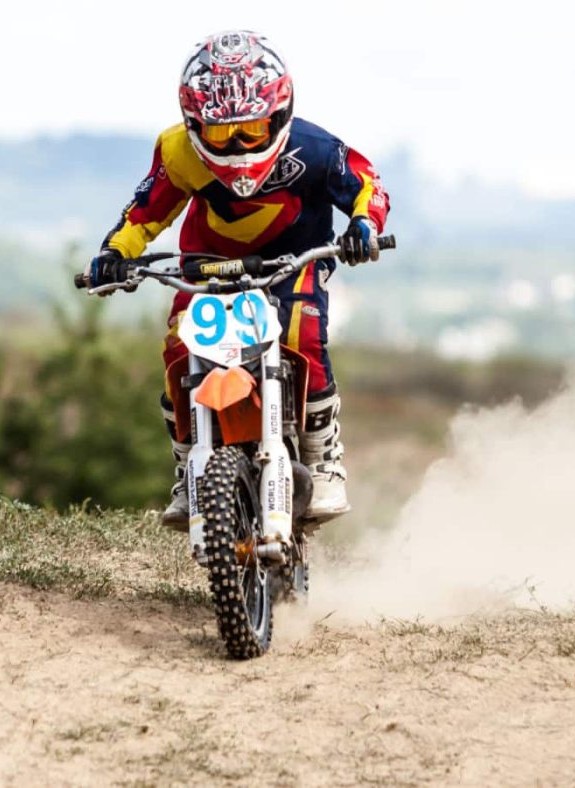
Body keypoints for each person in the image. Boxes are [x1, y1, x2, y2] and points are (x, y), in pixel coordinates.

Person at [87, 30, 389, 528]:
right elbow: (145, 214)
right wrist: (115, 252)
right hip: (206, 265)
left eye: (251, 130)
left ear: (279, 114)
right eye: (223, 134)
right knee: (178, 348)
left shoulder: (314, 147)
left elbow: (366, 184)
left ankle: (322, 455)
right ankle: (189, 465)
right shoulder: (177, 152)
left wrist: (363, 226)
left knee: (303, 334)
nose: (239, 146)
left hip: (295, 260)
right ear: (194, 125)